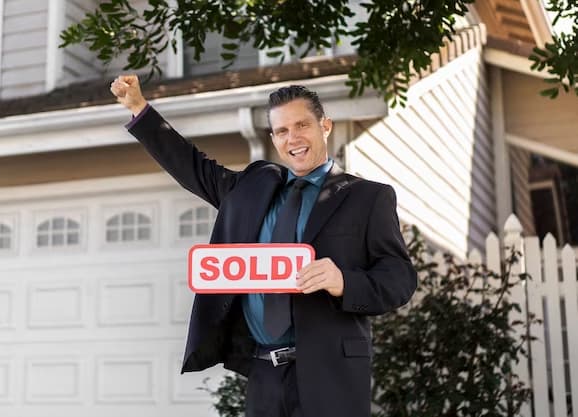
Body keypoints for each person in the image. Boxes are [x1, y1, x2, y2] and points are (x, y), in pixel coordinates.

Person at [110, 74, 417, 417]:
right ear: (273, 138)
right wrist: (139, 107)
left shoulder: (367, 197)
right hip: (263, 373)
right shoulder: (252, 188)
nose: (293, 138)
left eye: (302, 125)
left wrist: (343, 281)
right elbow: (191, 166)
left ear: (325, 126)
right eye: (283, 131)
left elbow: (400, 278)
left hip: (331, 374)